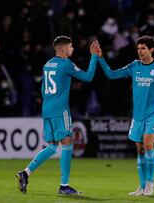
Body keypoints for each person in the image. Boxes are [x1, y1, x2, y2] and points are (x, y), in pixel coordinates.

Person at [15, 36, 100, 195]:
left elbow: (42, 89)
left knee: (53, 146)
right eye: (70, 46)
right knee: (68, 143)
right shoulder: (65, 64)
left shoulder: (48, 64)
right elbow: (88, 77)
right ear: (62, 49)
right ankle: (64, 186)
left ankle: (25, 173)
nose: (72, 49)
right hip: (61, 110)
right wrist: (94, 56)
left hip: (47, 109)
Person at [97, 35, 154, 196]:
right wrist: (100, 59)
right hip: (138, 115)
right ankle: (141, 186)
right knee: (140, 149)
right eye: (138, 48)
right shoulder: (134, 66)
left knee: (148, 144)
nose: (139, 51)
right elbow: (112, 75)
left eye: (143, 48)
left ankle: (150, 184)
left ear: (151, 50)